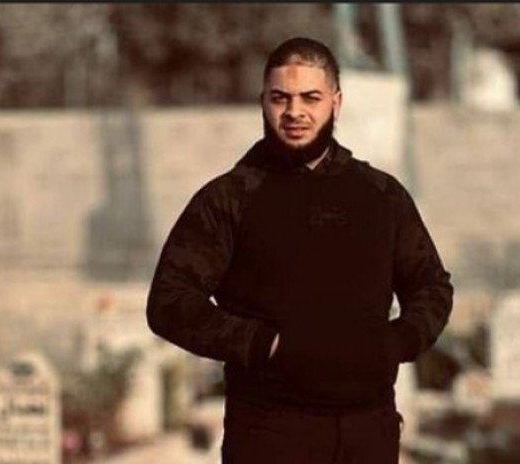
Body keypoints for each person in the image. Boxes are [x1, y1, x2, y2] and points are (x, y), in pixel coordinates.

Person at [146, 37, 453, 464]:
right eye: (281, 98)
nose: (294, 112)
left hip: (369, 432)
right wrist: (262, 343)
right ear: (263, 102)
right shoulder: (229, 199)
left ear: (336, 103)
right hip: (270, 433)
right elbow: (170, 301)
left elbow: (431, 285)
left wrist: (398, 342)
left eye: (310, 97)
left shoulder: (381, 195)